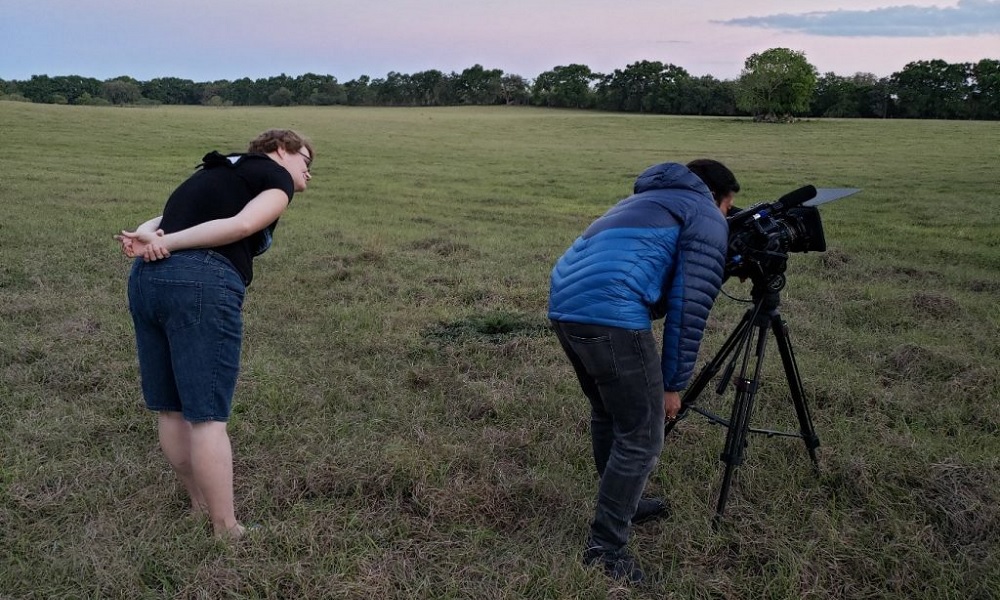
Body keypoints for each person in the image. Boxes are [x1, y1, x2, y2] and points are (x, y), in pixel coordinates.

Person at [115, 129, 314, 538]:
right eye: (306, 162)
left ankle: (198, 504)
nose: (308, 175)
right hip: (200, 281)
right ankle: (226, 528)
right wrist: (167, 245)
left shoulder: (218, 168)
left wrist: (153, 239)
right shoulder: (274, 177)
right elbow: (241, 225)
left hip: (145, 282)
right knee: (206, 417)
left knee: (171, 409)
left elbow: (158, 220)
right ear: (281, 150)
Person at [548, 159, 737, 583]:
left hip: (565, 305)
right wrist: (672, 386)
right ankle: (606, 549)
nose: (726, 221)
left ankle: (620, 501)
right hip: (612, 316)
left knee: (609, 414)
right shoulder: (704, 213)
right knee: (642, 433)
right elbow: (689, 312)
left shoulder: (646, 199)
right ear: (719, 198)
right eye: (729, 210)